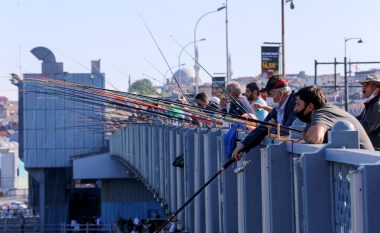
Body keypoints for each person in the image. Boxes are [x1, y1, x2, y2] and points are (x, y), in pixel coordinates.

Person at [232, 76, 297, 159]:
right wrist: (242, 146)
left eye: (269, 94)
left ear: (281, 93)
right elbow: (262, 128)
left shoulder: (295, 103)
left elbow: (290, 132)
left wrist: (273, 128)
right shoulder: (278, 107)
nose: (268, 97)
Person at [293, 85, 374, 150]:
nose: (295, 109)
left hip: (362, 164)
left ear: (310, 106)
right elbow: (305, 134)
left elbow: (315, 139)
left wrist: (308, 135)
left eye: (298, 104)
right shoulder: (323, 111)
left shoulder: (322, 113)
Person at [356, 75, 380, 150]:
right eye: (363, 85)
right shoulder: (370, 105)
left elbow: (367, 128)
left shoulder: (377, 106)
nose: (363, 88)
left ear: (377, 88)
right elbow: (358, 119)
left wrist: (351, 122)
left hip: (376, 151)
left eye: (366, 85)